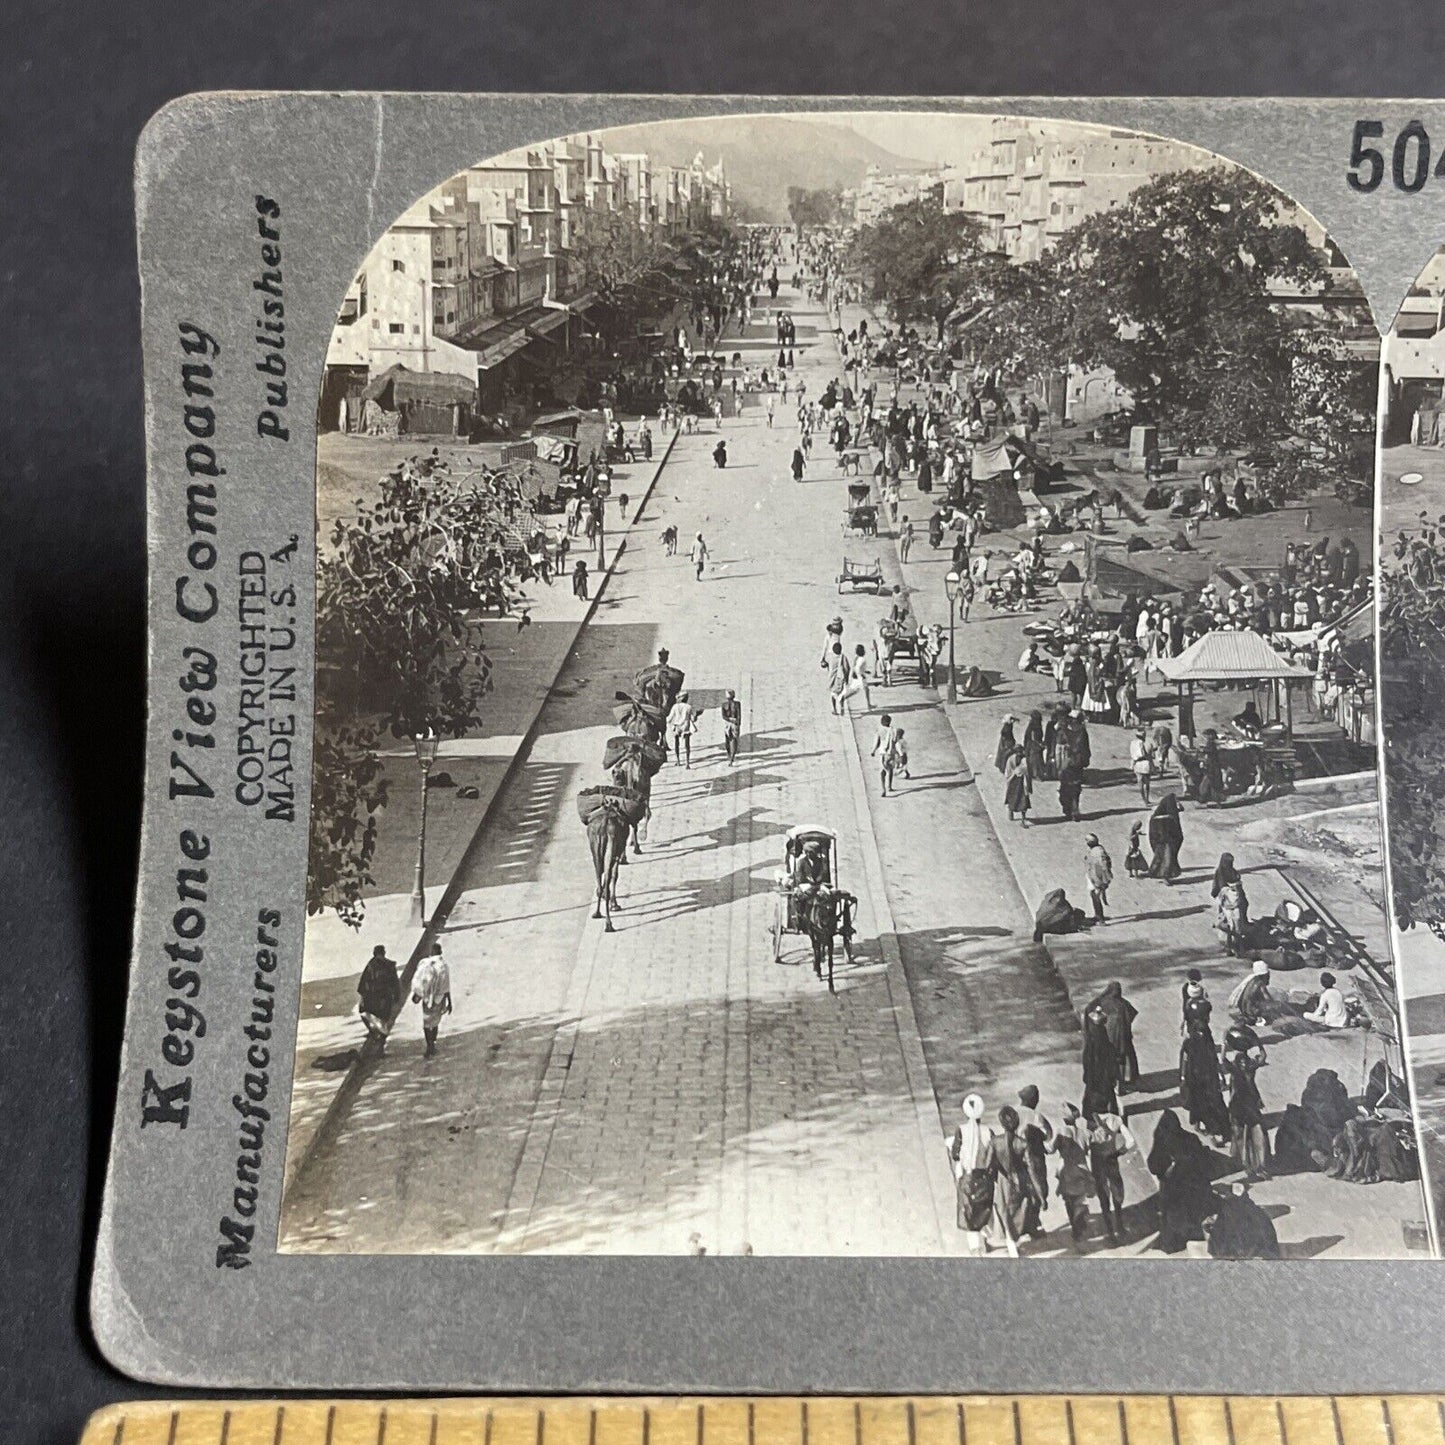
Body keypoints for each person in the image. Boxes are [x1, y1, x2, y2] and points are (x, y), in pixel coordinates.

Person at [1147, 1108, 1217, 1254]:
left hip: (1172, 1188)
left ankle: (1174, 1243)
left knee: (1173, 1217)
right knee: (1191, 1214)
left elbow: (1153, 1166)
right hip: (1191, 1185)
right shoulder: (1190, 1138)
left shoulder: (1161, 1140)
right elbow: (1201, 1161)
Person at [948, 1093, 996, 1255]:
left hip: (968, 1178)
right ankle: (986, 1239)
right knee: (984, 1210)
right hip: (984, 1178)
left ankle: (975, 1248)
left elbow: (955, 1154)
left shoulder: (960, 1131)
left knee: (969, 1212)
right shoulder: (988, 1131)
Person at [991, 1106, 1045, 1243]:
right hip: (1020, 1181)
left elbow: (989, 1166)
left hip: (1003, 1181)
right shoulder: (1022, 1144)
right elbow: (1032, 1172)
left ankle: (1010, 1240)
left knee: (1005, 1212)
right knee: (1019, 1211)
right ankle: (1018, 1236)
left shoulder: (995, 1142)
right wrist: (1041, 1196)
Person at [1085, 1109, 1135, 1244]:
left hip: (1097, 1162)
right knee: (1116, 1191)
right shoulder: (1115, 1119)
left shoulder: (1088, 1121)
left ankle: (1110, 1232)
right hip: (1111, 1160)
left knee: (1103, 1195)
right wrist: (1119, 1152)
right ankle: (1120, 1226)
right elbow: (1130, 1141)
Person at [1049, 1104, 1096, 1247]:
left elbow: (1050, 1149)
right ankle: (1080, 1227)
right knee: (1080, 1201)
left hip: (1066, 1170)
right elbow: (1091, 1148)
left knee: (1069, 1202)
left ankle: (1076, 1230)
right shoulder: (1085, 1133)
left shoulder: (1061, 1131)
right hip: (1082, 1169)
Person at [1179, 1017, 1230, 1144]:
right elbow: (1185, 1060)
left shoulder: (1191, 1042)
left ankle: (1203, 1126)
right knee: (1203, 1102)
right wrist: (1184, 1076)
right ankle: (1207, 1128)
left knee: (1199, 1102)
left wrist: (1184, 1076)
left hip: (1201, 1077)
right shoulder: (1199, 1043)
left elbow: (1185, 1060)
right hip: (1200, 1077)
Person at [1225, 1039, 1271, 1180]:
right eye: (1242, 1062)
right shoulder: (1236, 1071)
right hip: (1240, 1106)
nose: (1244, 1064)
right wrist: (1224, 1048)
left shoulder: (1247, 1070)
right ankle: (1248, 1165)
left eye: (1245, 1062)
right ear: (1238, 1064)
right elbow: (1223, 1061)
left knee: (1255, 1135)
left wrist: (1259, 1044)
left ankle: (1258, 1165)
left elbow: (1262, 1058)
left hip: (1249, 1105)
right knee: (1242, 1136)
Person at [1087, 980, 1140, 1092]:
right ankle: (1122, 1083)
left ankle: (1112, 1082)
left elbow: (1090, 1011)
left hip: (1108, 1037)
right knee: (1122, 1059)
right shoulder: (1123, 1004)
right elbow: (1133, 1014)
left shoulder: (1102, 1001)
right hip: (1123, 1038)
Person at [411, 943, 452, 1059]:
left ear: (432, 952)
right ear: (441, 952)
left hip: (428, 998)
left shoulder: (426, 964)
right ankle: (432, 1044)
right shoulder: (444, 966)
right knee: (435, 1022)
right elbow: (446, 985)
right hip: (439, 999)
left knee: (427, 1022)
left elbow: (422, 981)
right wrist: (449, 1001)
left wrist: (417, 995)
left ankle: (429, 1045)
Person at [357, 944, 400, 1050]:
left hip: (372, 999)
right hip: (386, 998)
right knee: (384, 1021)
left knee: (363, 1013)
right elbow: (395, 982)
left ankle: (372, 1032)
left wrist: (363, 997)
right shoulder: (390, 965)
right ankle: (380, 1046)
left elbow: (363, 983)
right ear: (384, 953)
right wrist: (396, 995)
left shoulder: (370, 965)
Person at [1147, 793, 1184, 881]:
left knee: (1160, 859)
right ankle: (1166, 877)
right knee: (1168, 860)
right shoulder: (1170, 817)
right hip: (1169, 842)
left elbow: (1152, 834)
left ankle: (1160, 875)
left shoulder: (1155, 817)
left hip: (1159, 843)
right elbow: (1176, 830)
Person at [1084, 833, 1113, 924]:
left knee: (1096, 896)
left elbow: (1104, 866)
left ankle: (1100, 919)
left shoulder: (1100, 852)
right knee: (1093, 895)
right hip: (1093, 876)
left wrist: (1105, 879)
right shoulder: (1094, 849)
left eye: (1087, 841)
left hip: (1098, 878)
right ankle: (1097, 915)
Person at [667, 692, 698, 768]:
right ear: (686, 698)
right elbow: (693, 719)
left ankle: (678, 761)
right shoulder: (688, 707)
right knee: (687, 745)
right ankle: (687, 763)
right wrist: (697, 715)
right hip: (685, 726)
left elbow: (669, 718)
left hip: (677, 726)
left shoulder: (675, 706)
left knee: (676, 744)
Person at [1003, 744, 1032, 826]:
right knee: (1012, 797)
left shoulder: (1024, 759)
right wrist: (1012, 775)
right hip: (1014, 781)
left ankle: (1023, 819)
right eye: (1018, 751)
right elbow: (1008, 770)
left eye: (1020, 751)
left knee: (1024, 800)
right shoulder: (1011, 759)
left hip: (1022, 782)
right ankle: (1010, 812)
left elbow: (1027, 770)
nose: (1019, 753)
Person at [825, 641, 851, 716]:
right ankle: (842, 707)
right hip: (840, 679)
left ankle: (834, 708)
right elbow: (847, 668)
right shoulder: (843, 657)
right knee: (841, 694)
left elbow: (826, 664)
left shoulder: (830, 657)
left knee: (833, 694)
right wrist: (846, 678)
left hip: (832, 679)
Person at [1130, 728, 1152, 804]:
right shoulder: (1145, 743)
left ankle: (1144, 799)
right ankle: (1147, 799)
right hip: (1145, 764)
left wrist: (1132, 764)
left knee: (1140, 783)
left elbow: (1133, 755)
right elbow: (1146, 754)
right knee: (1147, 783)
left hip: (1137, 764)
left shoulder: (1132, 743)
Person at [721, 689, 742, 765]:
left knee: (727, 740)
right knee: (734, 740)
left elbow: (723, 716)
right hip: (735, 723)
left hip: (727, 723)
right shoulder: (737, 704)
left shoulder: (724, 704)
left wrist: (729, 719)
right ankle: (732, 757)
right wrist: (737, 723)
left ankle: (729, 756)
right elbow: (739, 715)